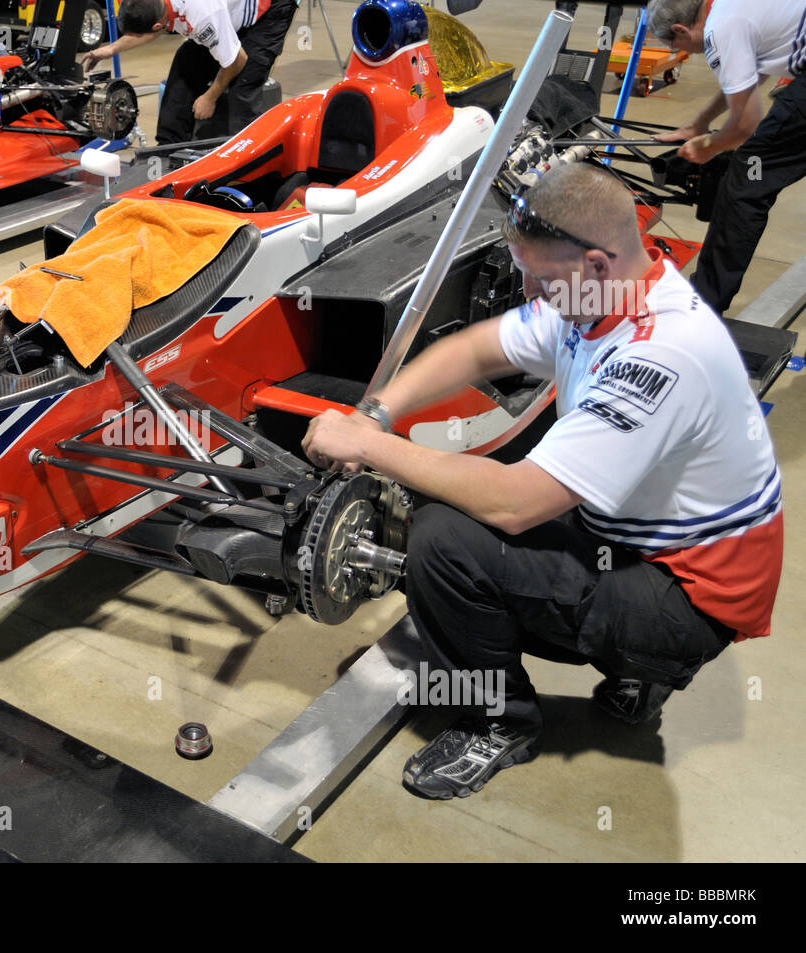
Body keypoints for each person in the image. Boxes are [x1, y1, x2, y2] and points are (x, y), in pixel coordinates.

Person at [301, 163, 783, 799]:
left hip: (693, 597)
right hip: (654, 545)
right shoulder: (596, 298)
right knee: (469, 487)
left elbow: (516, 506)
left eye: (538, 275)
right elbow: (474, 350)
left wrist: (371, 447)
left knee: (443, 539)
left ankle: (499, 722)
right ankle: (635, 666)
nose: (525, 288)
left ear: (596, 262)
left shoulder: (661, 355)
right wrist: (377, 414)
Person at [647, 0, 806, 314]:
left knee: (748, 175)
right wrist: (699, 124)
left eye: (672, 44)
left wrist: (709, 147)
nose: (680, 52)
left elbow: (745, 125)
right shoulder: (728, 7)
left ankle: (704, 302)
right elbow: (748, 77)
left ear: (680, 29)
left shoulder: (719, 29)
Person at [82, 0, 297, 145]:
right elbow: (151, 26)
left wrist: (210, 97)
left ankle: (244, 166)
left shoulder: (202, 15)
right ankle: (168, 149)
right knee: (185, 64)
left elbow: (236, 60)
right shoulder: (159, 7)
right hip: (227, 8)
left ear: (158, 25)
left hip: (272, 8)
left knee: (243, 85)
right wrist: (111, 49)